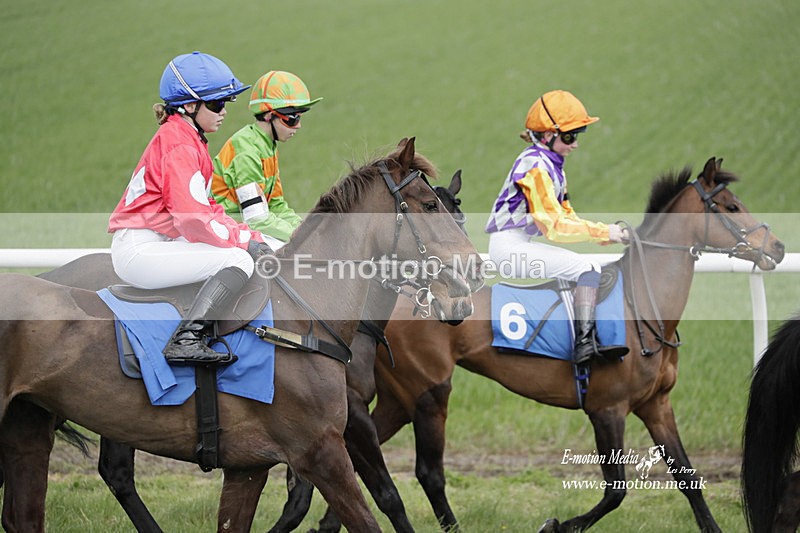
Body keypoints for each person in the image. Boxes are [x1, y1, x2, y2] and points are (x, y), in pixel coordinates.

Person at [108, 51, 272, 365]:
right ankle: (186, 339)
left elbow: (208, 208)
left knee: (242, 247)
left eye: (226, 103)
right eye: (216, 104)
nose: (224, 112)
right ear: (188, 106)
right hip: (140, 248)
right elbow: (193, 220)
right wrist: (243, 243)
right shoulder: (180, 144)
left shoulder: (187, 138)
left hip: (155, 240)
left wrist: (249, 234)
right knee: (237, 259)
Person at [485, 90, 629, 364]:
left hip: (519, 244)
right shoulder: (536, 168)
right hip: (508, 248)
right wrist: (604, 232)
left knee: (585, 267)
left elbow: (568, 216)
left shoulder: (554, 166)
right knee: (587, 269)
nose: (575, 144)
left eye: (579, 134)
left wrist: (609, 234)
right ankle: (585, 345)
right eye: (569, 136)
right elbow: (554, 226)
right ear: (547, 135)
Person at [211, 70, 322, 249]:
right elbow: (256, 219)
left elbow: (276, 206)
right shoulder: (247, 152)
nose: (299, 125)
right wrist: (299, 236)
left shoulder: (267, 145)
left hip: (245, 227)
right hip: (227, 231)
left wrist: (306, 228)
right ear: (269, 115)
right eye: (293, 118)